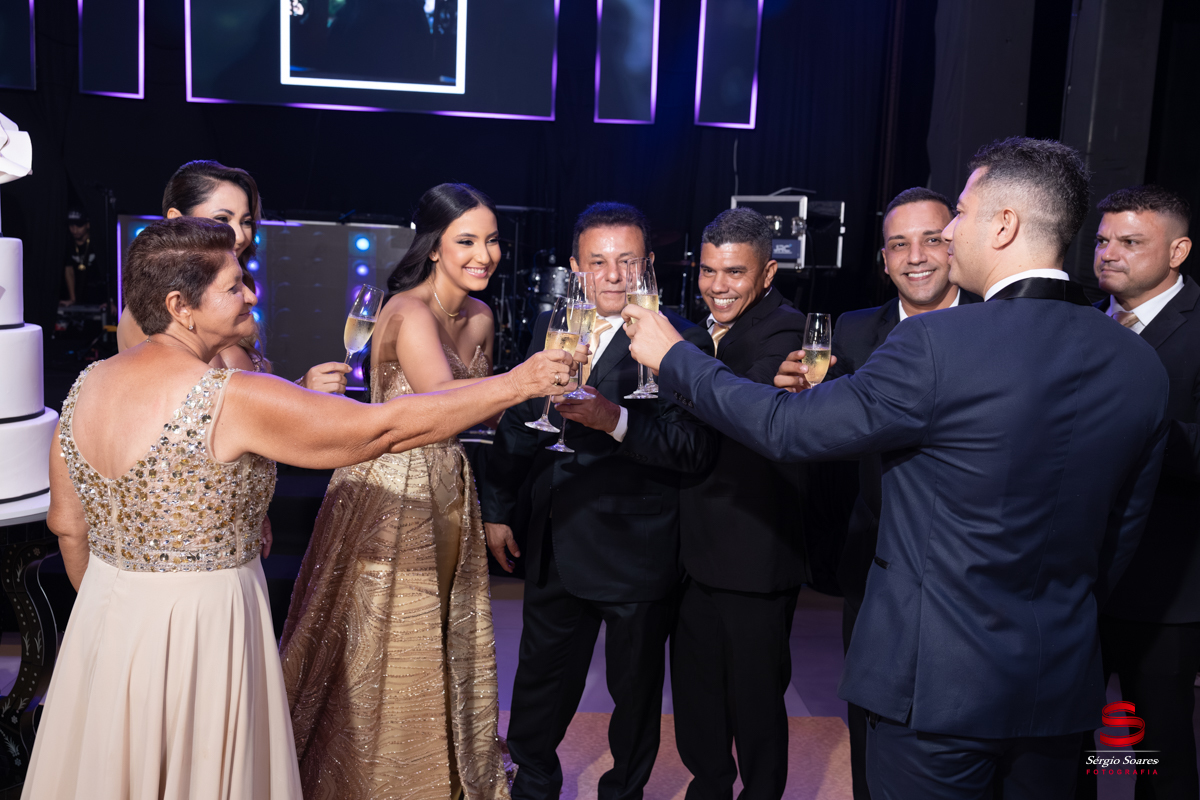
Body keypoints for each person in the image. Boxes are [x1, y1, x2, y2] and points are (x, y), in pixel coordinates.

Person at [623, 137, 1170, 799]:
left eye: (960, 213)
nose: (950, 231)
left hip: (931, 685)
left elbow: (786, 429)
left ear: (1004, 225)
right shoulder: (1138, 363)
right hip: (1058, 685)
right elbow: (1119, 540)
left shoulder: (935, 343)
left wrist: (675, 357)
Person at [24, 216, 570, 799]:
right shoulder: (229, 394)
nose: (250, 294)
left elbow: (67, 526)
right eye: (234, 285)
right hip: (207, 624)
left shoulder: (86, 385)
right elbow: (380, 430)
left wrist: (120, 613)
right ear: (181, 307)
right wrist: (517, 384)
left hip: (105, 619)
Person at [279, 183, 524, 800]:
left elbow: (483, 417)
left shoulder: (481, 316)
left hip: (450, 487)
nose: (484, 254)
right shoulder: (407, 311)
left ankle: (437, 767)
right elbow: (441, 400)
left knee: (440, 629)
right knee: (384, 634)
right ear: (434, 247)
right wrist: (523, 385)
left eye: (492, 240)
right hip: (390, 485)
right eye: (466, 241)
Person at [479, 202, 717, 800]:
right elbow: (521, 420)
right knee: (537, 687)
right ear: (575, 267)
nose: (612, 275)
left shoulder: (683, 340)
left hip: (635, 549)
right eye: (597, 262)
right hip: (555, 541)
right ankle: (532, 787)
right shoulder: (553, 325)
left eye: (627, 261)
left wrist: (615, 421)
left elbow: (691, 450)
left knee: (633, 697)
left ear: (648, 266)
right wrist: (498, 507)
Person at [792, 186, 979, 800]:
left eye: (931, 240)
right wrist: (804, 400)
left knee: (962, 727)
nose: (915, 256)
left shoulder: (993, 322)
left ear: (955, 247)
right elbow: (833, 434)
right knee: (870, 718)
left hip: (970, 567)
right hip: (873, 559)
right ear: (883, 258)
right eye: (899, 244)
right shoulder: (852, 331)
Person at [670, 207, 808, 800]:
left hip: (754, 553)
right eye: (708, 271)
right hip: (691, 550)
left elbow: (737, 409)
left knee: (755, 704)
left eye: (734, 272)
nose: (718, 286)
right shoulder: (694, 330)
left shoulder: (786, 330)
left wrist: (673, 371)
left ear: (767, 273)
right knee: (696, 697)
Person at [1091, 185, 1199, 800]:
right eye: (1103, 240)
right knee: (1066, 746)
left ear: (1178, 251)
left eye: (1130, 242)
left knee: (1157, 753)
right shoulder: (1083, 322)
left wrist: (1135, 429)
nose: (1109, 253)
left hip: (1166, 587)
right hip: (1077, 580)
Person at [117, 160, 349, 393]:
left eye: (245, 222)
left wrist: (303, 388)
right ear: (176, 219)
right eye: (222, 219)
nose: (239, 235)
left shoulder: (230, 300)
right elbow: (190, 408)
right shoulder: (152, 313)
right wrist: (300, 397)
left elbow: (248, 402)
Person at [61, 208, 101, 307]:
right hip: (78, 296)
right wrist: (72, 299)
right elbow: (69, 270)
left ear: (88, 224)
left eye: (79, 225)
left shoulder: (97, 244)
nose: (74, 230)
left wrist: (110, 300)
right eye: (71, 225)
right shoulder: (67, 244)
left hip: (98, 297)